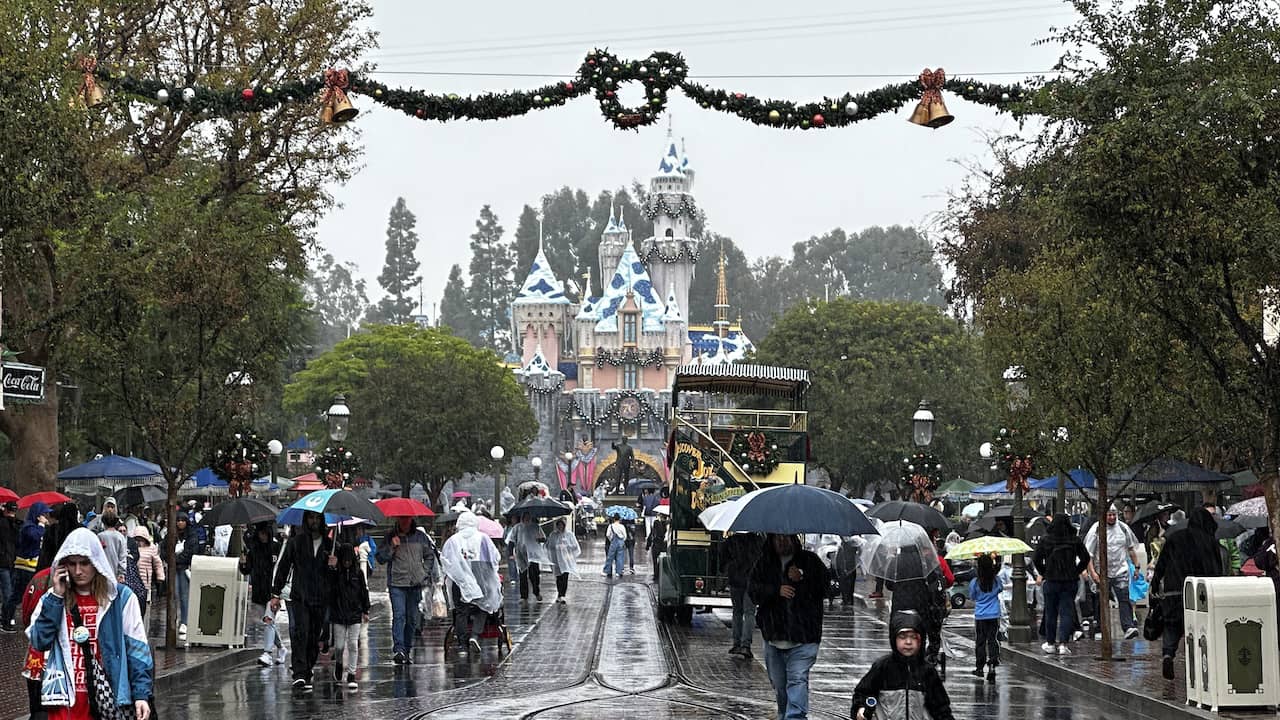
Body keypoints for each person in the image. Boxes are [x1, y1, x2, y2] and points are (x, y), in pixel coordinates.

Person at [29, 527, 153, 720]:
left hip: (108, 700)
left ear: (96, 562)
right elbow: (39, 641)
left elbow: (137, 650)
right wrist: (55, 597)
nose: (78, 571)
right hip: (64, 703)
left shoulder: (121, 599)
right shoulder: (52, 599)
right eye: (72, 564)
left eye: (85, 563)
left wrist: (141, 694)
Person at [749, 533, 828, 720]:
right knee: (780, 685)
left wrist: (803, 576)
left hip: (804, 637)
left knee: (797, 680)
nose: (782, 542)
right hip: (774, 637)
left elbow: (827, 588)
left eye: (786, 537)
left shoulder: (810, 561)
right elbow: (753, 591)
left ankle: (795, 717)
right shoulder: (764, 563)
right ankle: (784, 714)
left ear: (794, 539)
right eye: (778, 538)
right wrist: (775, 590)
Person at [1151, 507, 1223, 679]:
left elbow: (1161, 563)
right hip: (1200, 592)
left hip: (1174, 589)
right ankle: (1198, 660)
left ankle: (1168, 653)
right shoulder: (1210, 542)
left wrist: (1155, 584)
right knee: (1199, 626)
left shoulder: (1175, 537)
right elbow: (1217, 568)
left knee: (1172, 625)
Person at [851, 610, 955, 720]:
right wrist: (861, 707)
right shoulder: (882, 667)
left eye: (913, 637)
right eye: (902, 637)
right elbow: (863, 693)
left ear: (921, 640)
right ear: (893, 639)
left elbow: (941, 708)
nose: (908, 642)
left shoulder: (927, 671)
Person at [271, 510, 334, 691]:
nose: (313, 521)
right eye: (310, 518)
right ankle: (299, 673)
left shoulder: (330, 545)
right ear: (305, 520)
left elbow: (334, 576)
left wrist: (334, 565)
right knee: (301, 633)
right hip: (300, 596)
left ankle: (307, 670)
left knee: (314, 636)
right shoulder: (296, 543)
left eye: (317, 518)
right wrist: (276, 593)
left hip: (320, 598)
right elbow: (284, 567)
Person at [440, 511, 503, 655]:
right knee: (484, 606)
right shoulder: (483, 538)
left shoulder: (453, 540)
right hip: (480, 579)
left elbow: (446, 561)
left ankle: (462, 644)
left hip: (459, 580)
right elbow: (494, 558)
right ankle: (475, 634)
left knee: (461, 611)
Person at [376, 515, 437, 664]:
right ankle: (399, 649)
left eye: (406, 519)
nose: (404, 522)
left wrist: (423, 572)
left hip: (415, 583)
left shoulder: (420, 537)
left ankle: (407, 648)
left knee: (411, 619)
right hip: (397, 583)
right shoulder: (391, 536)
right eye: (401, 519)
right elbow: (380, 558)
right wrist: (392, 547)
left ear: (411, 520)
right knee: (399, 616)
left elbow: (430, 556)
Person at [1033, 513, 1090, 654]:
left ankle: (1051, 643)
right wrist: (1076, 571)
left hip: (1051, 580)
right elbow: (1085, 558)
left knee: (1050, 612)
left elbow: (1036, 559)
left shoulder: (1046, 540)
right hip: (1069, 580)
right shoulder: (1074, 540)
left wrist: (1044, 572)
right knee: (1066, 612)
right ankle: (1064, 643)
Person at [1084, 506, 1142, 639]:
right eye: (1109, 515)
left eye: (1114, 515)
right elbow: (1089, 555)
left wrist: (1136, 566)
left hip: (1120, 570)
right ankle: (1101, 627)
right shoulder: (1096, 529)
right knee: (1101, 601)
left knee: (1124, 598)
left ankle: (1128, 627)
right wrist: (1093, 573)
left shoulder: (1123, 528)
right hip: (1102, 572)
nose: (1111, 518)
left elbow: (1131, 548)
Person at [238, 522, 282, 668]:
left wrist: (279, 590)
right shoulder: (253, 550)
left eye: (265, 533)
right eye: (261, 533)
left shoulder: (276, 548)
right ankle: (281, 648)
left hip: (272, 591)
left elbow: (281, 568)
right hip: (259, 590)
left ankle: (267, 653)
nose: (263, 536)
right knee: (269, 622)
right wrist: (243, 563)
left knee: (268, 620)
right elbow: (246, 570)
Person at [328, 543, 370, 690]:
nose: (347, 562)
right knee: (339, 646)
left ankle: (351, 673)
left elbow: (363, 592)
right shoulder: (334, 574)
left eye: (349, 560)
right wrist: (331, 570)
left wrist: (365, 610)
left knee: (353, 644)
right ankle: (339, 663)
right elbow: (329, 591)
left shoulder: (358, 573)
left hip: (354, 613)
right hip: (339, 613)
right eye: (344, 560)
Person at [720, 531, 764, 659]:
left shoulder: (732, 541)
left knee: (737, 612)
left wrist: (727, 569)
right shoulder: (758, 541)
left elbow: (722, 558)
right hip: (752, 580)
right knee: (749, 612)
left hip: (735, 580)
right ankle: (746, 646)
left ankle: (736, 643)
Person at [12, 502, 50, 631]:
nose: (46, 516)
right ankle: (6, 617)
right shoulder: (28, 527)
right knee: (19, 594)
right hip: (25, 565)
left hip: (33, 565)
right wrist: (41, 525)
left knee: (28, 592)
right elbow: (35, 537)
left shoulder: (35, 526)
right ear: (37, 515)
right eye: (43, 514)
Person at [969, 554, 1003, 681]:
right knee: (993, 639)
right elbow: (1000, 589)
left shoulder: (975, 582)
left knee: (981, 641)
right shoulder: (996, 580)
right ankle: (993, 664)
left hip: (980, 615)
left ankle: (979, 668)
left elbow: (972, 596)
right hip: (994, 614)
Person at [168, 510, 202, 640]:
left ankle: (185, 621)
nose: (180, 523)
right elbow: (165, 549)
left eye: (182, 520)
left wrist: (177, 559)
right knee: (174, 594)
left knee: (184, 595)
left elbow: (191, 551)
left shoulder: (192, 535)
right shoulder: (171, 534)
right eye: (178, 520)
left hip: (184, 568)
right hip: (173, 569)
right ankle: (174, 619)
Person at [507, 513, 550, 602]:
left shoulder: (535, 527)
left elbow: (543, 538)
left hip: (533, 555)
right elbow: (511, 541)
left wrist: (539, 539)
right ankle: (524, 596)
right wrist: (510, 553)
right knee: (523, 575)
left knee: (534, 574)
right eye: (525, 517)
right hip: (521, 555)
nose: (527, 519)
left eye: (528, 517)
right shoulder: (517, 528)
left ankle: (536, 591)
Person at [128, 525, 164, 620]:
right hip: (132, 579)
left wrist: (160, 576)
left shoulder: (152, 548)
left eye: (141, 538)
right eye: (137, 538)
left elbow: (157, 562)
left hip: (146, 580)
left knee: (145, 604)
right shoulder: (132, 547)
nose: (139, 541)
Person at [545, 519, 581, 604]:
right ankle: (559, 594)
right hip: (557, 560)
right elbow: (549, 546)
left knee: (565, 577)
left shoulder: (569, 534)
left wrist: (566, 546)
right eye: (558, 525)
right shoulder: (553, 535)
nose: (560, 527)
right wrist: (556, 546)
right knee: (559, 577)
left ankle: (562, 595)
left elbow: (575, 546)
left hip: (566, 560)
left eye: (561, 525)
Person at [0, 501, 19, 632]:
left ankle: (5, 619)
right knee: (8, 593)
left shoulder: (14, 523)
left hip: (9, 561)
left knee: (8, 593)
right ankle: (5, 621)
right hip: (6, 561)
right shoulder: (5, 523)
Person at [98, 515, 129, 582]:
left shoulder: (100, 536)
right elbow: (123, 556)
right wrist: (121, 572)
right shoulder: (120, 537)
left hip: (102, 572)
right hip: (116, 573)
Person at [645, 513, 668, 583]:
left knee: (655, 561)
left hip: (656, 545)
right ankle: (661, 573)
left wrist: (647, 546)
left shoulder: (655, 524)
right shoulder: (666, 524)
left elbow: (651, 535)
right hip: (663, 545)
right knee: (662, 560)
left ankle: (656, 575)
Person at [603, 514, 626, 579]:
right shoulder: (622, 526)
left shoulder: (611, 526)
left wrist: (611, 539)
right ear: (619, 519)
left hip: (613, 542)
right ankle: (619, 572)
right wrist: (622, 541)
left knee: (610, 557)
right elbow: (625, 535)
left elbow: (607, 535)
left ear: (614, 519)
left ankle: (606, 571)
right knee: (620, 558)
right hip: (621, 542)